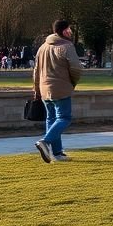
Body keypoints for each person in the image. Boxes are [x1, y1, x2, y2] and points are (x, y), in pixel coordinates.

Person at [32, 19, 84, 164]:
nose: (71, 32)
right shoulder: (67, 46)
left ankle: (57, 152)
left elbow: (36, 71)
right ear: (64, 31)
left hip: (44, 89)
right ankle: (46, 142)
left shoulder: (42, 47)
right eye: (69, 29)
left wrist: (36, 90)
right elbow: (76, 68)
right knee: (64, 118)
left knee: (52, 119)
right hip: (60, 88)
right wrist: (72, 82)